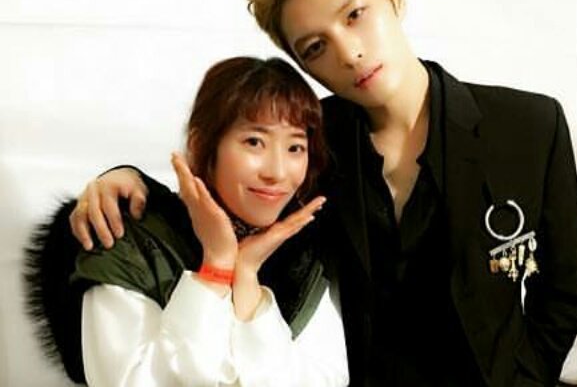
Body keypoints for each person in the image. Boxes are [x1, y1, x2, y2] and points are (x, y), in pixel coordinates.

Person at [66, 0, 577, 387]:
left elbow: (566, 285)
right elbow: (223, 192)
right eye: (315, 47)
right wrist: (126, 177)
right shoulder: (308, 143)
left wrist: (526, 379)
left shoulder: (529, 126)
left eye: (355, 15)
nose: (349, 53)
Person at [24, 56, 349, 386]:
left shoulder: (306, 252)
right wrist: (216, 267)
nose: (277, 172)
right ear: (200, 145)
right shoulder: (125, 239)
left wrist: (247, 277)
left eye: (295, 147)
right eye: (254, 142)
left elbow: (324, 380)